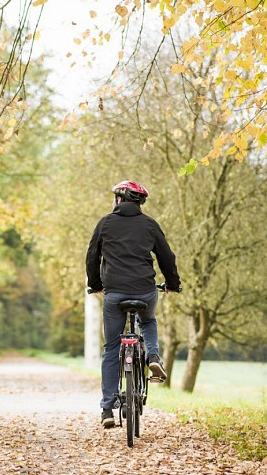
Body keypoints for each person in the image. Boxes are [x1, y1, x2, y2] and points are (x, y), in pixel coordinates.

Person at [85, 180, 181, 429]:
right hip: (145, 291)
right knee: (148, 320)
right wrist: (172, 283)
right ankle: (153, 355)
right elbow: (166, 257)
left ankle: (107, 407)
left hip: (114, 294)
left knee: (111, 347)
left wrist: (95, 284)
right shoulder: (150, 225)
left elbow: (92, 256)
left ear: (119, 199)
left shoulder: (105, 223)